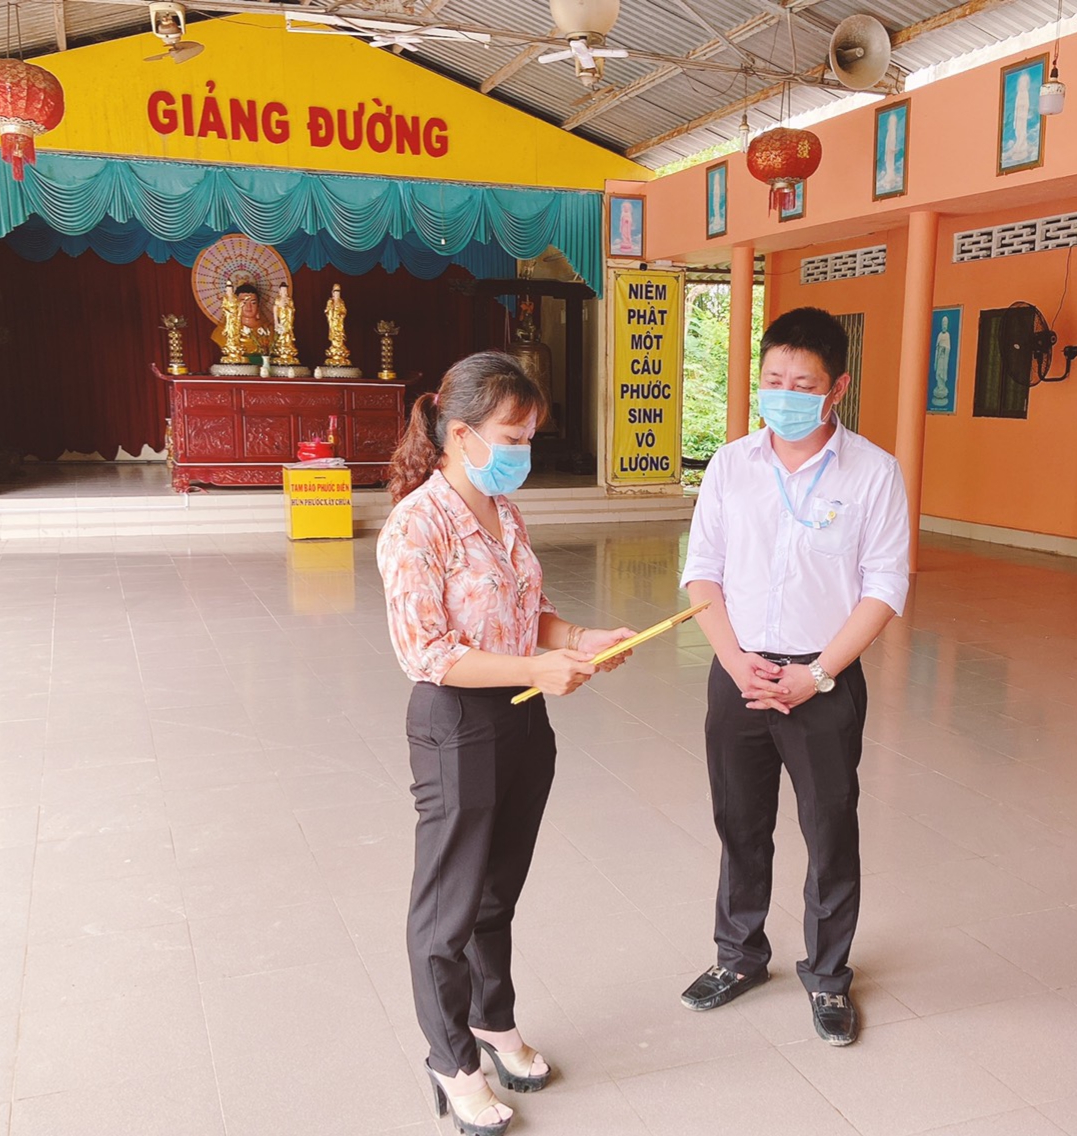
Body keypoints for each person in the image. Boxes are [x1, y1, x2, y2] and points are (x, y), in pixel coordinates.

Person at [377, 352, 634, 1135]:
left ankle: (492, 1021)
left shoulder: (502, 511)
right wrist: (534, 669)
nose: (523, 451)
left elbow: (530, 613)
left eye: (529, 436)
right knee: (446, 909)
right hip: (456, 725)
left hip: (522, 722)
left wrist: (581, 639)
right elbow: (426, 652)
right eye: (512, 436)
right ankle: (449, 1060)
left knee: (496, 894)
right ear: (460, 434)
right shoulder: (418, 524)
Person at [679, 307, 909, 1047]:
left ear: (837, 386)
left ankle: (829, 975)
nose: (783, 394)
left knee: (829, 829)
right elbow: (702, 572)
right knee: (739, 823)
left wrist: (817, 673)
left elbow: (884, 588)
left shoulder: (873, 472)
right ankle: (739, 956)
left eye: (802, 383)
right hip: (738, 672)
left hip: (824, 682)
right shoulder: (730, 465)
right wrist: (732, 660)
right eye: (772, 378)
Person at [212, 282, 271, 363]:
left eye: (253, 303)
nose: (248, 307)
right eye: (244, 302)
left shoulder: (269, 330)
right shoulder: (223, 330)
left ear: (258, 305)